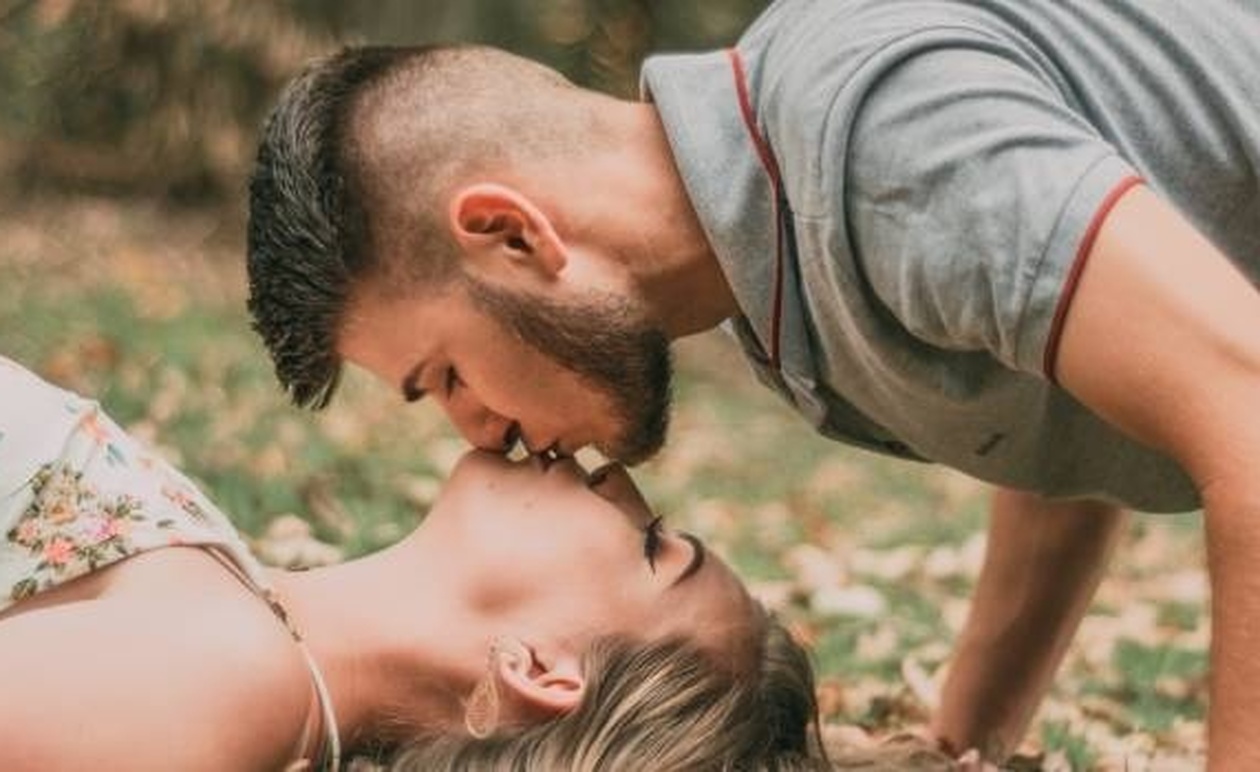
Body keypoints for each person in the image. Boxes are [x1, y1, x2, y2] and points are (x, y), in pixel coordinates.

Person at [244, 0, 1260, 766]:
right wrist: (963, 745)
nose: (479, 432)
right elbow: (1077, 399)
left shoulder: (878, 142)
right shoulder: (775, 259)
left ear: (512, 234)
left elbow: (1246, 413)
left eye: (447, 376)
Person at [0, 355, 826, 771]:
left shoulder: (235, 681)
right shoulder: (244, 641)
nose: (616, 478)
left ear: (541, 667)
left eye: (651, 547)